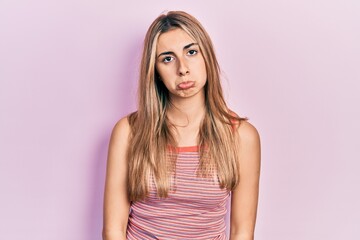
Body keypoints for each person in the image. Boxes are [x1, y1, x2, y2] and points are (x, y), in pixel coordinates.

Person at [102, 11, 261, 240]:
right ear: (155, 71)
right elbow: (113, 230)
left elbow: (242, 232)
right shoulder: (129, 132)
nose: (182, 68)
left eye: (191, 52)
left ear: (206, 56)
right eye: (167, 58)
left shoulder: (241, 137)